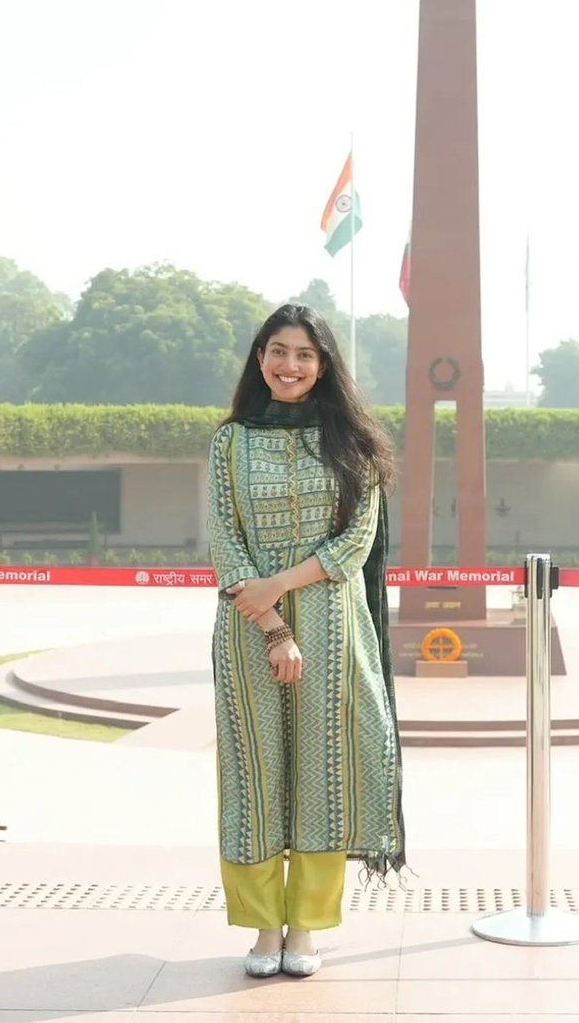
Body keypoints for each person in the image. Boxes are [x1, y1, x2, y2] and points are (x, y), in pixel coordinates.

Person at [207, 303, 405, 979]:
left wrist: (278, 589)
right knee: (254, 778)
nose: (288, 365)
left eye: (303, 354)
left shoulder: (354, 443)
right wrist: (268, 621)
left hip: (331, 629)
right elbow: (225, 542)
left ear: (323, 367)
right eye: (277, 351)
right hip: (246, 634)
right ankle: (265, 931)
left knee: (323, 777)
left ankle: (308, 932)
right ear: (259, 358)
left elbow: (353, 544)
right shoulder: (230, 442)